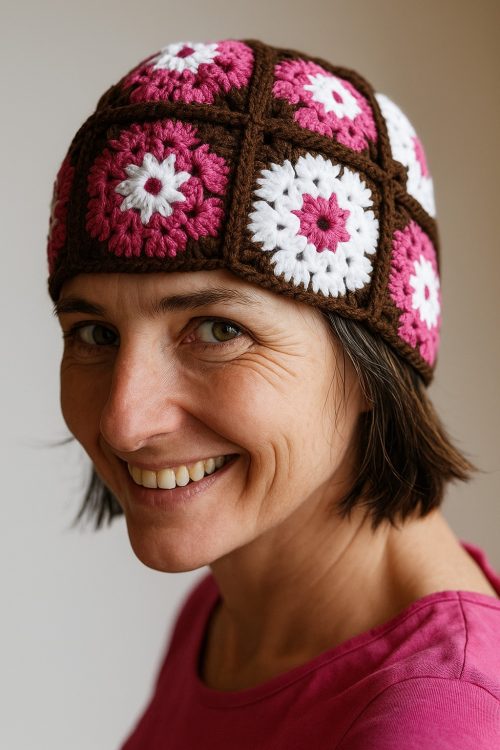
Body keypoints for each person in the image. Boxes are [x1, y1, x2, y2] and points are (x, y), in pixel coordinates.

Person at [47, 39, 500, 748]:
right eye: (96, 334)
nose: (123, 421)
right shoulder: (229, 613)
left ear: (373, 362)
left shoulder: (433, 724)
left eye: (217, 329)